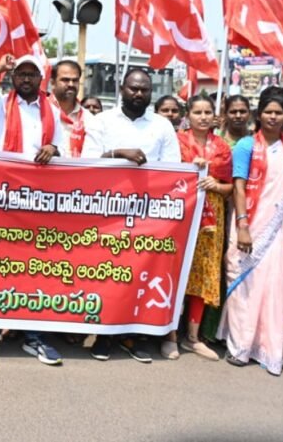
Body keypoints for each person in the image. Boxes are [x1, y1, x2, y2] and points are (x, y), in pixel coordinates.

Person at [0, 54, 64, 366]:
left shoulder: (54, 111)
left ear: (40, 79)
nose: (25, 79)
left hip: (38, 201)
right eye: (20, 74)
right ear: (13, 77)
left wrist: (54, 149)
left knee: (34, 269)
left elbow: (63, 150)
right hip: (2, 198)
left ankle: (33, 337)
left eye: (31, 74)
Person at [82, 68, 180, 363]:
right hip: (108, 213)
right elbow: (85, 162)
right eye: (134, 89)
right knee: (110, 275)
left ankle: (133, 337)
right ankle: (103, 336)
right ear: (122, 88)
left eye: (145, 90)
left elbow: (174, 169)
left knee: (139, 275)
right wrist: (118, 154)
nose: (139, 94)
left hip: (148, 214)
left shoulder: (162, 125)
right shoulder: (102, 121)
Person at [220, 86, 283, 377]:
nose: (273, 117)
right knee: (243, 285)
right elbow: (239, 186)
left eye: (278, 112)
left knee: (274, 289)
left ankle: (269, 348)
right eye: (268, 112)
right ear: (259, 114)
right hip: (249, 227)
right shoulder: (247, 146)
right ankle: (240, 346)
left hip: (280, 232)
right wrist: (243, 226)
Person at [175, 95, 233, 361]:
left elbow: (230, 186)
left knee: (202, 274)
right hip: (180, 214)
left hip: (212, 218)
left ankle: (193, 337)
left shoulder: (222, 147)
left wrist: (215, 184)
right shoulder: (177, 141)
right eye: (197, 111)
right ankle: (169, 335)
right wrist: (191, 169)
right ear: (188, 114)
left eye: (207, 111)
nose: (202, 116)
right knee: (176, 272)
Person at [49, 59, 92, 158]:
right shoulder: (41, 112)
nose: (71, 84)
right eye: (65, 80)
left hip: (76, 172)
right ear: (52, 83)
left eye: (75, 80)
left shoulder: (88, 119)